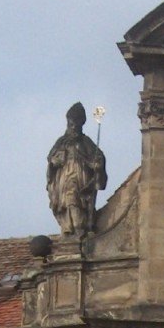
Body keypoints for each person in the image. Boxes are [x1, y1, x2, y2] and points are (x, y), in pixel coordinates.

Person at [47, 102, 107, 238]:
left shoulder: (86, 141)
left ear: (81, 124)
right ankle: (69, 227)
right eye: (71, 124)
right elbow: (51, 159)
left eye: (76, 124)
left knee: (77, 199)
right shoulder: (61, 142)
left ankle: (78, 227)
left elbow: (97, 158)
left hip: (81, 176)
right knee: (68, 200)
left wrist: (97, 164)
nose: (73, 127)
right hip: (64, 177)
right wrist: (54, 162)